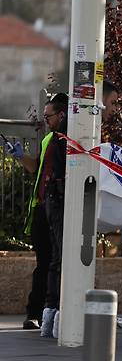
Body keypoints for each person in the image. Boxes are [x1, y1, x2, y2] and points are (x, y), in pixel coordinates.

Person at [4, 94, 68, 331]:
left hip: (57, 208)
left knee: (54, 262)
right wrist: (20, 157)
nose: (45, 121)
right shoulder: (47, 140)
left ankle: (49, 311)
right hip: (42, 209)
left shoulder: (67, 139)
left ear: (61, 115)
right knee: (44, 263)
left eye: (48, 116)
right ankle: (35, 313)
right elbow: (36, 168)